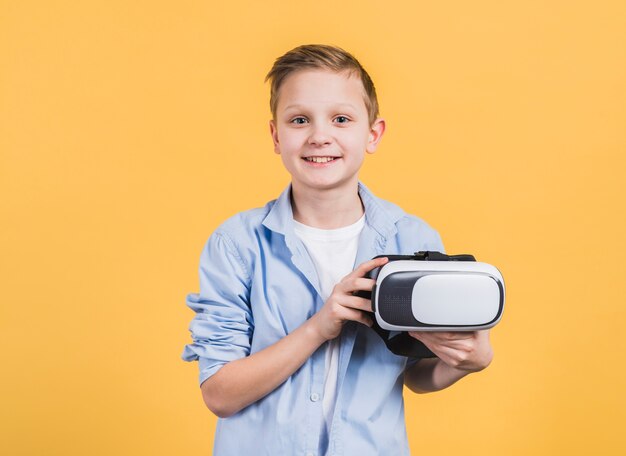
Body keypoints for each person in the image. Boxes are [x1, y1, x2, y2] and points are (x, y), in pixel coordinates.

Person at [182, 44, 494, 455]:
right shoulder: (237, 244)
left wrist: (466, 361)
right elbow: (220, 395)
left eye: (341, 119)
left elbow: (415, 374)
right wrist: (319, 326)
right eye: (299, 120)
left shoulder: (413, 241)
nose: (319, 136)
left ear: (372, 134)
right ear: (277, 136)